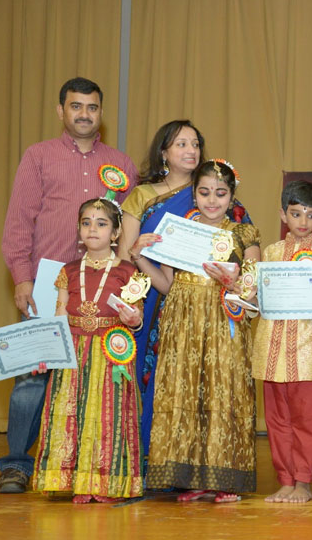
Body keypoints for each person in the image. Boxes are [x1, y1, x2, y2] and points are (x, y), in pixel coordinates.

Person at [0, 77, 138, 494]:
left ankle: (85, 464)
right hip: (47, 285)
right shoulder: (38, 156)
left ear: (101, 113)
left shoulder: (121, 164)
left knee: (96, 377)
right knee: (33, 377)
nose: (84, 114)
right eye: (76, 106)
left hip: (104, 289)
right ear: (61, 110)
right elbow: (19, 222)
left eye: (92, 107)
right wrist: (22, 278)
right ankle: (16, 465)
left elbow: (129, 228)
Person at [118, 119, 255, 458]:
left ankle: (207, 460)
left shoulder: (216, 190)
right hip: (151, 300)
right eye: (181, 143)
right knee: (159, 378)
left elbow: (247, 259)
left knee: (210, 384)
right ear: (163, 151)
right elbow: (125, 255)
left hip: (213, 308)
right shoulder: (143, 195)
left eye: (195, 143)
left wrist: (238, 284)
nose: (190, 150)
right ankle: (151, 455)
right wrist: (138, 258)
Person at [130, 160, 260, 503]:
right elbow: (167, 285)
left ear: (232, 196)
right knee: (184, 395)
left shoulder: (244, 234)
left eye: (220, 193)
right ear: (194, 194)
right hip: (182, 324)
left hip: (222, 323)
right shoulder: (179, 230)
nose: (212, 200)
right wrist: (139, 256)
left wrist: (234, 283)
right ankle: (193, 479)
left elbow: (253, 292)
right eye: (204, 192)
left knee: (222, 394)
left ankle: (225, 479)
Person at [32, 198, 144, 502]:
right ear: (78, 230)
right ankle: (73, 480)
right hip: (73, 350)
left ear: (116, 232)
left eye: (101, 223)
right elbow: (59, 315)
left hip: (110, 354)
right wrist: (48, 352)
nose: (92, 229)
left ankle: (105, 483)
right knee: (70, 411)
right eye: (86, 223)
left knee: (107, 415)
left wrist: (133, 319)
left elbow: (136, 316)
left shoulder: (127, 271)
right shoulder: (68, 271)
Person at [254, 181, 312, 503]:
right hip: (272, 347)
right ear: (282, 214)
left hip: (308, 347)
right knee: (276, 419)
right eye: (296, 213)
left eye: (311, 215)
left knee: (305, 418)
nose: (303, 221)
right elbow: (259, 300)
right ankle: (285, 480)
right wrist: (242, 292)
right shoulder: (271, 253)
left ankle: (303, 481)